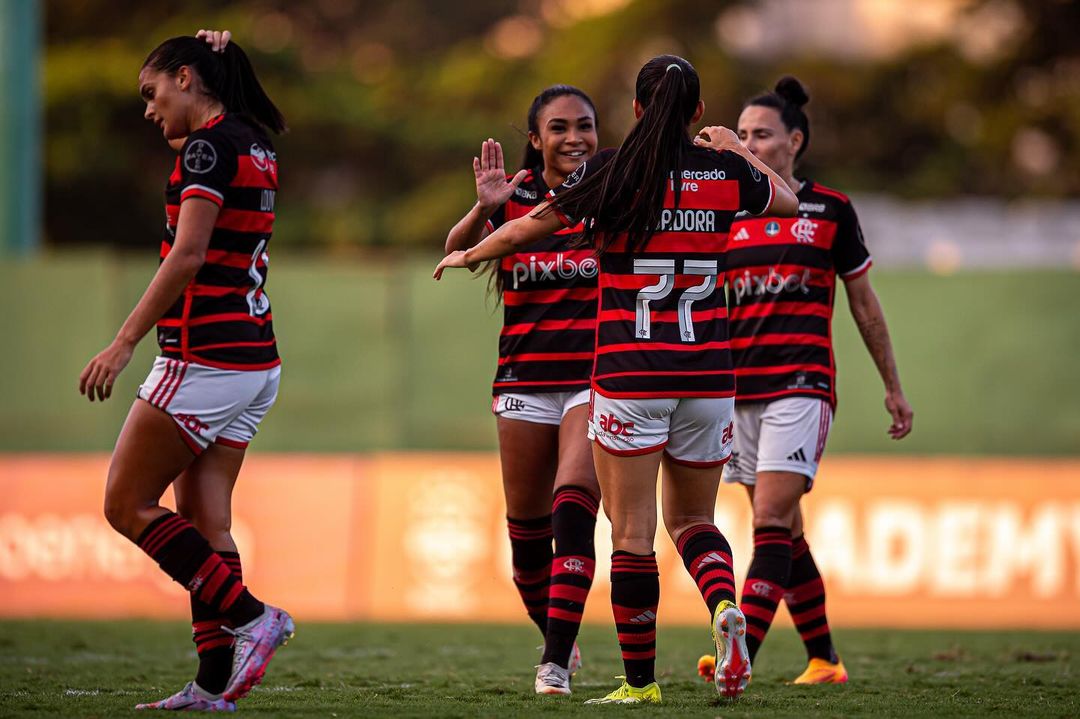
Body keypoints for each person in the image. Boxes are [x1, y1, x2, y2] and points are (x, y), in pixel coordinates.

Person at [436, 55, 798, 703]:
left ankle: (640, 683)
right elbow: (789, 201)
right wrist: (738, 152)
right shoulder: (724, 174)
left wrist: (470, 254)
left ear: (633, 111)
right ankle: (723, 607)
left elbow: (529, 226)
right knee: (692, 518)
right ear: (697, 114)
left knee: (630, 533)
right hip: (711, 377)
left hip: (631, 374)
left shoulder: (611, 172)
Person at [78, 33, 293, 711]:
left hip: (204, 356)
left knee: (123, 504)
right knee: (204, 520)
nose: (149, 110)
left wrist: (123, 340)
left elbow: (188, 254)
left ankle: (256, 616)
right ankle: (212, 683)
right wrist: (218, 57)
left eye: (153, 92)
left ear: (186, 77)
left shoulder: (207, 148)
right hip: (255, 359)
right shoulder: (253, 141)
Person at [719, 76, 913, 684]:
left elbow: (864, 304)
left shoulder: (829, 209)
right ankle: (825, 660)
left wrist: (892, 385)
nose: (748, 144)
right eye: (742, 135)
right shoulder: (722, 211)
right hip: (736, 391)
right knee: (787, 534)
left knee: (771, 521)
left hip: (800, 385)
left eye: (761, 136)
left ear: (794, 141)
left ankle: (738, 653)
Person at [444, 85, 603, 695]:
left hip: (592, 381)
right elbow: (455, 255)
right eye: (558, 128)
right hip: (523, 381)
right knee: (526, 550)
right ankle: (555, 632)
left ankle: (554, 662)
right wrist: (484, 209)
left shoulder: (610, 194)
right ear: (535, 139)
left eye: (584, 126)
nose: (573, 138)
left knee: (573, 502)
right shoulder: (514, 198)